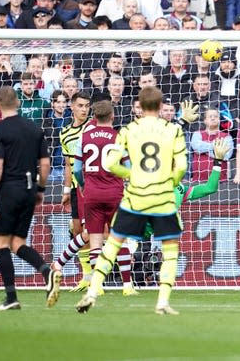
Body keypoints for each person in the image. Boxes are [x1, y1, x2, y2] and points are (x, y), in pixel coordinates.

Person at [76, 85, 188, 315]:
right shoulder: (172, 131)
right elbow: (182, 168)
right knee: (170, 251)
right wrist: (170, 179)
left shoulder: (127, 130)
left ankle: (93, 292)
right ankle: (163, 301)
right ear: (159, 106)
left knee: (113, 244)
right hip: (162, 196)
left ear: (140, 105)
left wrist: (132, 175)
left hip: (135, 196)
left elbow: (112, 165)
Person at [0, 86, 62, 310]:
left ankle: (11, 298)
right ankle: (47, 272)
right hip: (29, 190)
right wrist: (40, 190)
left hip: (7, 191)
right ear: (18, 102)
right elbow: (45, 164)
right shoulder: (34, 128)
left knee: (1, 243)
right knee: (18, 243)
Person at [71, 100, 138, 296]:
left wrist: (84, 185)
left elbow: (76, 170)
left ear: (94, 117)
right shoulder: (119, 138)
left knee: (95, 241)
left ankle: (97, 286)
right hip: (114, 194)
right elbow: (129, 168)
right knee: (120, 240)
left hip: (91, 194)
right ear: (112, 116)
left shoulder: (83, 138)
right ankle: (127, 286)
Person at [57, 91, 92, 291]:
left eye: (87, 105)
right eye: (80, 105)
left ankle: (100, 275)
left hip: (93, 186)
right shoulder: (65, 133)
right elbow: (69, 165)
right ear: (71, 107)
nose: (84, 109)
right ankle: (87, 276)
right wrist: (65, 189)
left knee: (94, 232)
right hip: (75, 189)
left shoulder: (93, 128)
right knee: (77, 230)